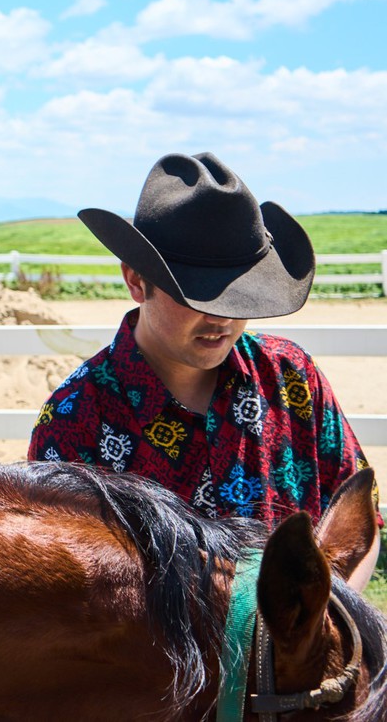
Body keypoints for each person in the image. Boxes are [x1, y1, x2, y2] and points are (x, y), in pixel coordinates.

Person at [28, 152, 379, 589]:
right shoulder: (75, 419)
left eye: (242, 299)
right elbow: (59, 592)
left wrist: (323, 625)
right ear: (137, 280)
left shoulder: (293, 378)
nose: (224, 320)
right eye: (198, 297)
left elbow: (358, 520)